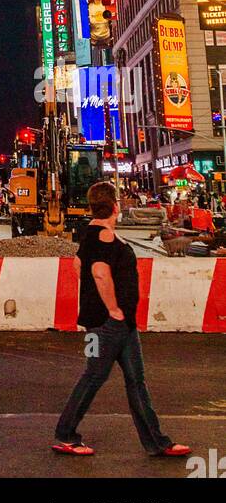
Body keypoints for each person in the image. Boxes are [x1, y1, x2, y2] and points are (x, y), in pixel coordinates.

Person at [53, 182, 191, 459]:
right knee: (96, 377)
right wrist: (113, 308)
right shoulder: (104, 236)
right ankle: (65, 435)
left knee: (133, 380)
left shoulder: (89, 234)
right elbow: (99, 272)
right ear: (115, 206)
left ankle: (157, 442)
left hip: (113, 325)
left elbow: (78, 265)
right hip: (110, 325)